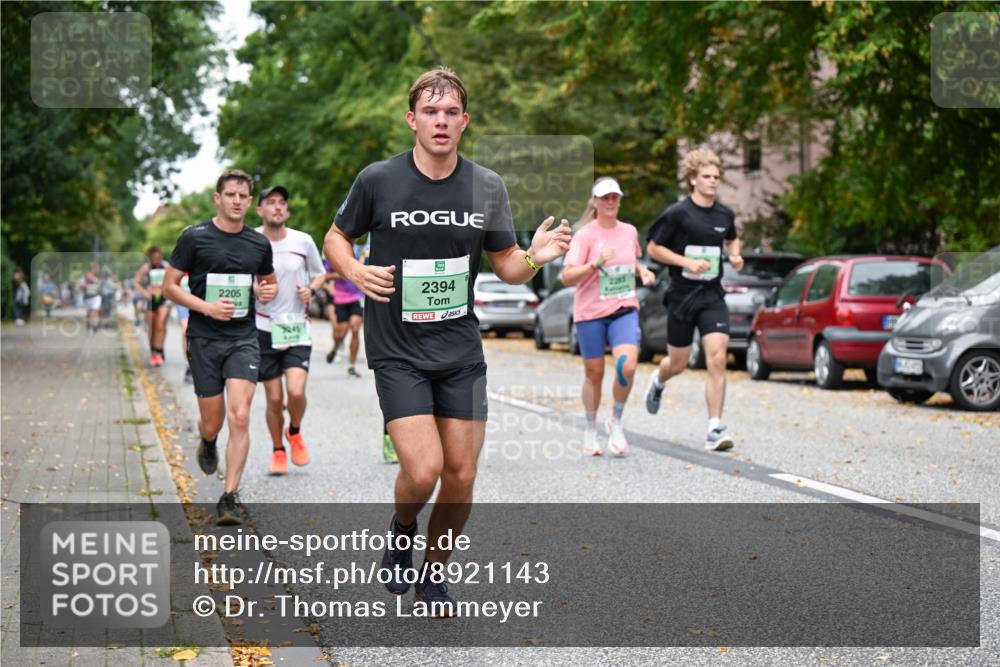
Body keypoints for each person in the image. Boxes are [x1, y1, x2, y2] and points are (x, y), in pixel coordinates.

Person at [324, 67, 570, 616]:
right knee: (424, 469)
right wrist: (354, 273)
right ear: (412, 119)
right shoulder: (377, 180)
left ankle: (434, 576)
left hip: (460, 352)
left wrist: (536, 256)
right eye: (430, 112)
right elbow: (337, 236)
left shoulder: (487, 186)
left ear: (464, 121)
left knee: (461, 476)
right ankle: (402, 527)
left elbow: (507, 264)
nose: (441, 121)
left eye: (450, 112)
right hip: (397, 351)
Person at [163, 169, 277, 525]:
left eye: (244, 196)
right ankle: (208, 440)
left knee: (240, 415)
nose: (237, 201)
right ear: (218, 198)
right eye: (231, 195)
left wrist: (264, 291)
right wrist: (207, 307)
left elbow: (268, 282)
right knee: (212, 421)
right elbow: (170, 287)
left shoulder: (258, 244)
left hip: (243, 339)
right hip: (204, 339)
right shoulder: (194, 238)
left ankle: (229, 497)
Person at [644, 147, 743, 451]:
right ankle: (658, 382)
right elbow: (653, 249)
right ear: (693, 179)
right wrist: (686, 263)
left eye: (716, 177)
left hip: (712, 296)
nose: (713, 181)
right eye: (707, 176)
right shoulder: (678, 213)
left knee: (717, 356)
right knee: (678, 364)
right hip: (682, 296)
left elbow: (731, 237)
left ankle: (714, 427)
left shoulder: (724, 214)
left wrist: (735, 255)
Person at [561, 177, 656, 457]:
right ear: (595, 202)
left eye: (615, 197)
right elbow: (567, 276)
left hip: (623, 309)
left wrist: (642, 271)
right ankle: (590, 428)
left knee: (627, 366)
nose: (611, 202)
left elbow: (631, 258)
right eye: (605, 198)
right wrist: (595, 263)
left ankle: (615, 419)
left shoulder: (629, 231)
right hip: (590, 313)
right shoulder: (584, 236)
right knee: (595, 373)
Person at [253, 185, 326, 476]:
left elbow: (320, 275)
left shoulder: (303, 241)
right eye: (271, 203)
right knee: (273, 399)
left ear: (288, 210)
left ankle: (294, 431)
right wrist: (254, 289)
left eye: (282, 203)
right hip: (263, 328)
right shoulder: (251, 241)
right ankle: (277, 450)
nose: (277, 207)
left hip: (296, 327)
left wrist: (311, 290)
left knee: (295, 392)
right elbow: (243, 278)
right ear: (259, 210)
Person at [324, 240, 367, 378]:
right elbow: (325, 276)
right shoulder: (333, 254)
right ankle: (336, 347)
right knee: (340, 334)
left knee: (355, 329)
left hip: (356, 297)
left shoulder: (360, 252)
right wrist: (343, 273)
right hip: (340, 298)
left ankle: (351, 366)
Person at [134, 247, 172, 366]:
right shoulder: (146, 268)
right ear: (150, 257)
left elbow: (174, 281)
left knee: (160, 325)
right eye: (154, 257)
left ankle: (159, 351)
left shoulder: (166, 267)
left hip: (163, 299)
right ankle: (153, 351)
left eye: (159, 257)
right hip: (150, 300)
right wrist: (145, 293)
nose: (157, 259)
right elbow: (136, 282)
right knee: (152, 327)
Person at [175, 273, 193, 384]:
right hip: (183, 301)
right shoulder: (183, 260)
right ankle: (189, 364)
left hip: (201, 299)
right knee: (185, 329)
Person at [81, 263, 102, 333]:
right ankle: (89, 324)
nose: (97, 270)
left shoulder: (97, 276)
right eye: (96, 268)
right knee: (89, 312)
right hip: (89, 297)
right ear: (93, 269)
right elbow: (84, 286)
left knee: (95, 311)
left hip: (96, 296)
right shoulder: (88, 276)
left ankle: (95, 325)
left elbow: (98, 285)